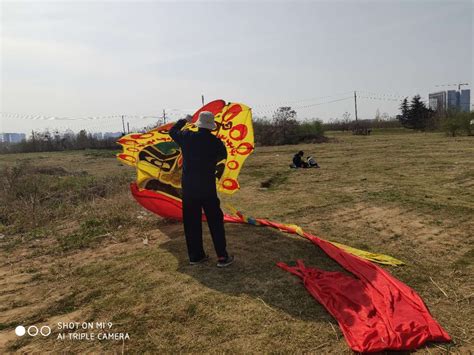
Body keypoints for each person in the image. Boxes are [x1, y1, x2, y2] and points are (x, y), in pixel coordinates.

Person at [169, 111, 234, 267]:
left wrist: (184, 120)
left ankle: (196, 256)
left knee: (191, 222)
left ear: (198, 124)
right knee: (215, 221)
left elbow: (172, 131)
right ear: (211, 127)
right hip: (207, 188)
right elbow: (223, 157)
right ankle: (222, 257)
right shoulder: (216, 142)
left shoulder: (186, 137)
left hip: (189, 189)